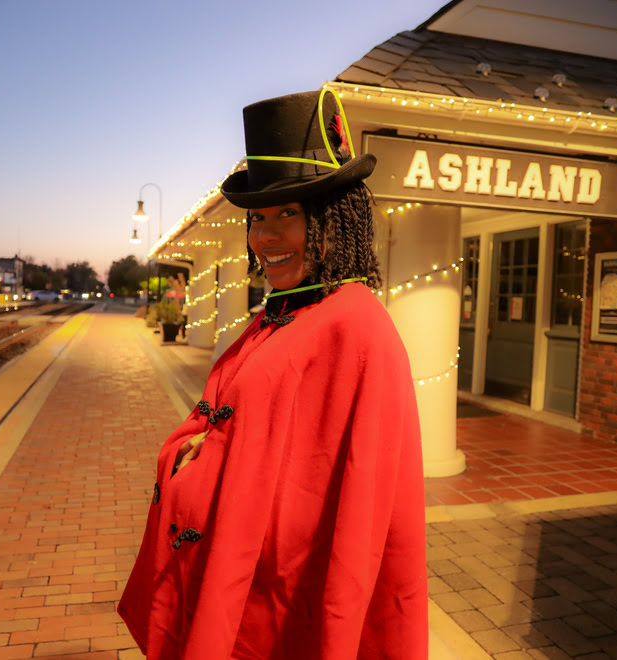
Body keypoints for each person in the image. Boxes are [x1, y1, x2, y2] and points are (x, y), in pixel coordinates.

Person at [118, 89, 427, 659]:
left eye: (290, 214)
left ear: (337, 220)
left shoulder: (356, 327)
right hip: (238, 588)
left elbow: (357, 512)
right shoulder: (281, 313)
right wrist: (191, 455)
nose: (267, 237)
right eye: (259, 218)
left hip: (284, 614)